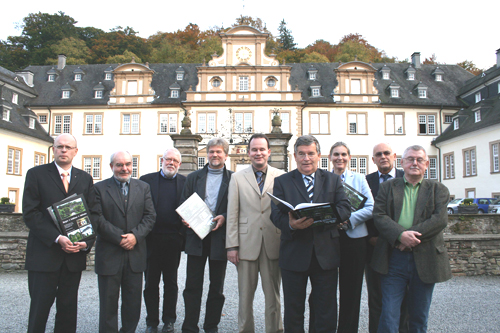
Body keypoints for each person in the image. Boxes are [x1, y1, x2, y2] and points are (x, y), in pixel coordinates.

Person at [270, 135, 351, 333]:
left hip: (326, 254)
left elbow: (345, 208)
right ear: (294, 156)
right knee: (294, 308)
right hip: (294, 252)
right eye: (301, 154)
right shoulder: (282, 181)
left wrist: (325, 216)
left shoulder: (332, 179)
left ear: (319, 155)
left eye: (310, 154)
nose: (306, 158)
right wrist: (290, 225)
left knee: (325, 308)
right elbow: (275, 215)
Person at [371, 145, 451, 332]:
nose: (414, 163)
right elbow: (379, 216)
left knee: (418, 316)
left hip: (425, 258)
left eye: (419, 159)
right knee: (389, 313)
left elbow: (439, 220)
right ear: (402, 162)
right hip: (393, 258)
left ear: (426, 164)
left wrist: (409, 237)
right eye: (410, 159)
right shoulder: (387, 187)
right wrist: (400, 235)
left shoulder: (438, 189)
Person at [23, 133, 96, 333]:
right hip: (44, 255)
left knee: (67, 310)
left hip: (73, 257)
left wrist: (86, 242)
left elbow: (92, 214)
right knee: (39, 309)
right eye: (59, 146)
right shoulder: (36, 174)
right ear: (53, 149)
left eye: (68, 147)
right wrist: (57, 238)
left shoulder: (85, 178)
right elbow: (30, 213)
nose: (63, 150)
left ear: (75, 151)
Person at [226, 134, 285, 333]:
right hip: (245, 244)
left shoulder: (281, 176)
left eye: (262, 149)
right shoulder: (237, 178)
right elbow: (232, 213)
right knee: (245, 297)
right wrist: (232, 246)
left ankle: (275, 330)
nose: (258, 153)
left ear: (269, 151)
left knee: (273, 296)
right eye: (254, 149)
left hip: (273, 242)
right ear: (248, 152)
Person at [93, 150, 156, 333]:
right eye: (119, 165)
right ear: (111, 166)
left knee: (132, 302)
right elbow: (97, 218)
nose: (124, 168)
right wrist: (119, 238)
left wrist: (135, 236)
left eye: (128, 164)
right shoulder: (99, 189)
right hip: (109, 254)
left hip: (135, 255)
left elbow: (150, 216)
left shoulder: (143, 187)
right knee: (108, 303)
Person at [181, 138, 233, 333]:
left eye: (219, 152)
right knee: (192, 286)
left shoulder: (234, 179)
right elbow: (183, 202)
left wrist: (226, 217)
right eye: (211, 151)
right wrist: (185, 218)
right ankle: (189, 327)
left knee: (216, 288)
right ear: (206, 154)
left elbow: (239, 207)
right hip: (196, 237)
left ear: (226, 155)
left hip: (219, 238)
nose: (215, 155)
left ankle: (211, 326)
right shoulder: (193, 177)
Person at [140, 148, 187, 333]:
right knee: (150, 283)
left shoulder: (185, 182)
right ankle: (151, 322)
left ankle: (169, 320)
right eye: (168, 159)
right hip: (151, 240)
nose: (171, 163)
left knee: (171, 283)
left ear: (180, 164)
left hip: (174, 240)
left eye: (175, 161)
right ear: (162, 160)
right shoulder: (146, 180)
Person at [329, 142, 374, 333]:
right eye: (336, 154)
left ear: (349, 157)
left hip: (355, 239)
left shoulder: (359, 179)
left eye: (344, 154)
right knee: (327, 290)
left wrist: (348, 220)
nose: (340, 158)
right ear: (330, 157)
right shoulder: (324, 178)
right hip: (330, 239)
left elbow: (371, 208)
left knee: (351, 290)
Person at [365, 143, 408, 333]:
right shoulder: (366, 181)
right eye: (378, 154)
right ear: (373, 159)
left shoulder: (407, 178)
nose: (383, 156)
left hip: (403, 247)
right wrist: (370, 237)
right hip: (374, 247)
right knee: (376, 298)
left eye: (386, 153)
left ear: (394, 156)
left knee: (405, 298)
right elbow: (361, 210)